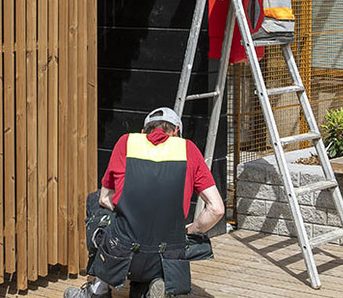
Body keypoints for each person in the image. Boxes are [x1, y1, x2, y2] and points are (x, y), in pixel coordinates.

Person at [64, 107, 224, 298]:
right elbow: (217, 209)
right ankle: (156, 283)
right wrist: (190, 231)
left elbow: (104, 198)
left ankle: (99, 289)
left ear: (143, 132)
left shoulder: (127, 142)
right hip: (168, 255)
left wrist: (128, 215)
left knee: (95, 202)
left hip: (124, 251)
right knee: (161, 239)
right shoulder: (187, 148)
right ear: (176, 132)